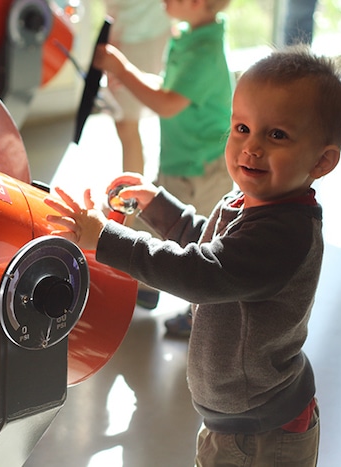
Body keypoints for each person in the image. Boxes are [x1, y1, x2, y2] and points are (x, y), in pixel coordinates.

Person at [44, 46, 341, 465]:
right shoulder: (249, 200)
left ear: (322, 161)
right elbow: (207, 244)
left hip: (262, 432)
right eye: (242, 127)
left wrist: (108, 240)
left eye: (276, 134)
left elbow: (202, 274)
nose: (251, 147)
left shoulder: (285, 233)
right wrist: (157, 204)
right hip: (235, 419)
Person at [94, 0, 234, 333]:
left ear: (198, 3)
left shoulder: (205, 52)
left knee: (204, 243)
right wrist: (125, 77)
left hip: (202, 169)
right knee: (156, 224)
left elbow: (167, 104)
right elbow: (166, 86)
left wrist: (122, 69)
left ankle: (202, 312)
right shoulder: (187, 35)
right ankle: (145, 290)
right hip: (181, 160)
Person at [103, 0, 171, 174]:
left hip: (151, 31)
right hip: (119, 31)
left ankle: (135, 194)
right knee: (125, 124)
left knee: (129, 121)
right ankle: (133, 194)